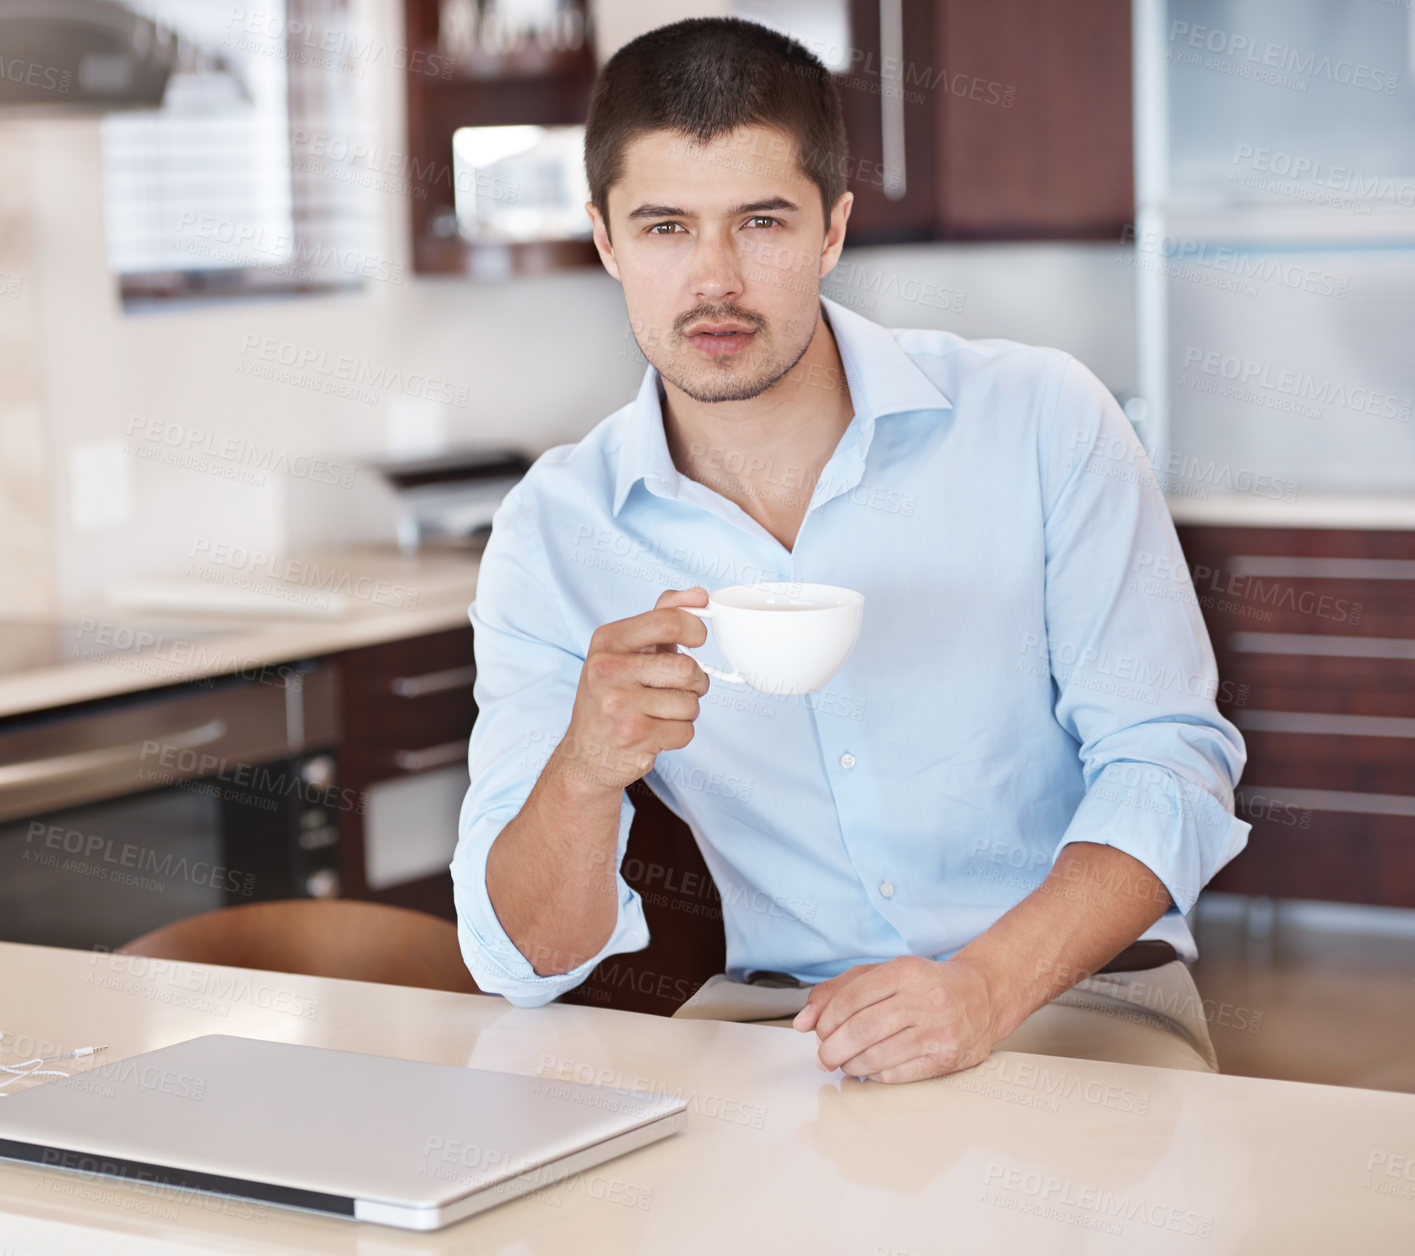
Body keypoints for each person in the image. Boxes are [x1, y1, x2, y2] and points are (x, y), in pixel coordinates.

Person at [450, 17, 1248, 1081]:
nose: (715, 279)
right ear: (603, 239)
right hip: (775, 1024)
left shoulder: (1041, 417)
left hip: (1074, 996)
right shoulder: (554, 530)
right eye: (664, 227)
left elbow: (1168, 760)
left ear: (832, 229)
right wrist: (585, 771)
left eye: (762, 222)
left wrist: (980, 989)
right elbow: (525, 961)